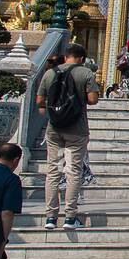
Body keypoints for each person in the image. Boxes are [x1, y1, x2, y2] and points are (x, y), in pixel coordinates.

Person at [36, 42, 100, 231]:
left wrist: (55, 109)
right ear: (81, 58)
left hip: (54, 129)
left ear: (66, 57)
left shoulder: (50, 73)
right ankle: (70, 217)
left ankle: (50, 217)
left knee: (53, 172)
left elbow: (40, 101)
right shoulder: (85, 73)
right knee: (73, 172)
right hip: (77, 129)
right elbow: (93, 99)